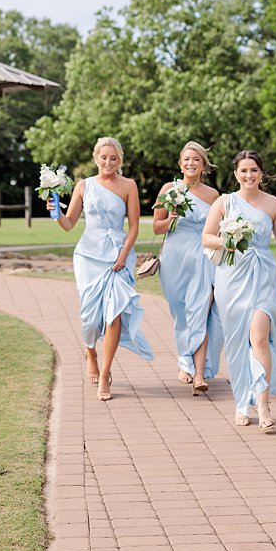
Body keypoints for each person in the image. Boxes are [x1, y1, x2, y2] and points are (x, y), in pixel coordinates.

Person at [202, 151, 276, 432]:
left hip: (263, 276)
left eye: (254, 170)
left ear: (261, 173)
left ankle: (264, 403)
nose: (249, 175)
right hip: (231, 279)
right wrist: (227, 240)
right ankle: (241, 403)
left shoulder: (273, 204)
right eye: (244, 171)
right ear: (236, 173)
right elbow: (206, 237)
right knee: (236, 343)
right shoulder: (224, 202)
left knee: (259, 336)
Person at [56, 137, 154, 400]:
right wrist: (56, 212)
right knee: (89, 317)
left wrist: (123, 253)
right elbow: (69, 224)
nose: (108, 162)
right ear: (95, 158)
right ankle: (90, 353)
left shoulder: (129, 186)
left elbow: (134, 226)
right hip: (88, 255)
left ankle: (106, 374)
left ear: (119, 160)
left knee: (114, 314)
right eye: (103, 157)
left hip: (117, 256)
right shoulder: (84, 185)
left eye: (113, 158)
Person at [153, 142, 223, 395]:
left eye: (196, 159)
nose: (191, 163)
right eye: (186, 159)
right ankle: (185, 360)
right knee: (181, 313)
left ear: (203, 165)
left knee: (201, 311)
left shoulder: (214, 195)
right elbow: (156, 227)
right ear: (180, 163)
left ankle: (200, 374)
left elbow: (216, 230)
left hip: (203, 257)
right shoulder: (169, 189)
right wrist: (170, 219)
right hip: (174, 257)